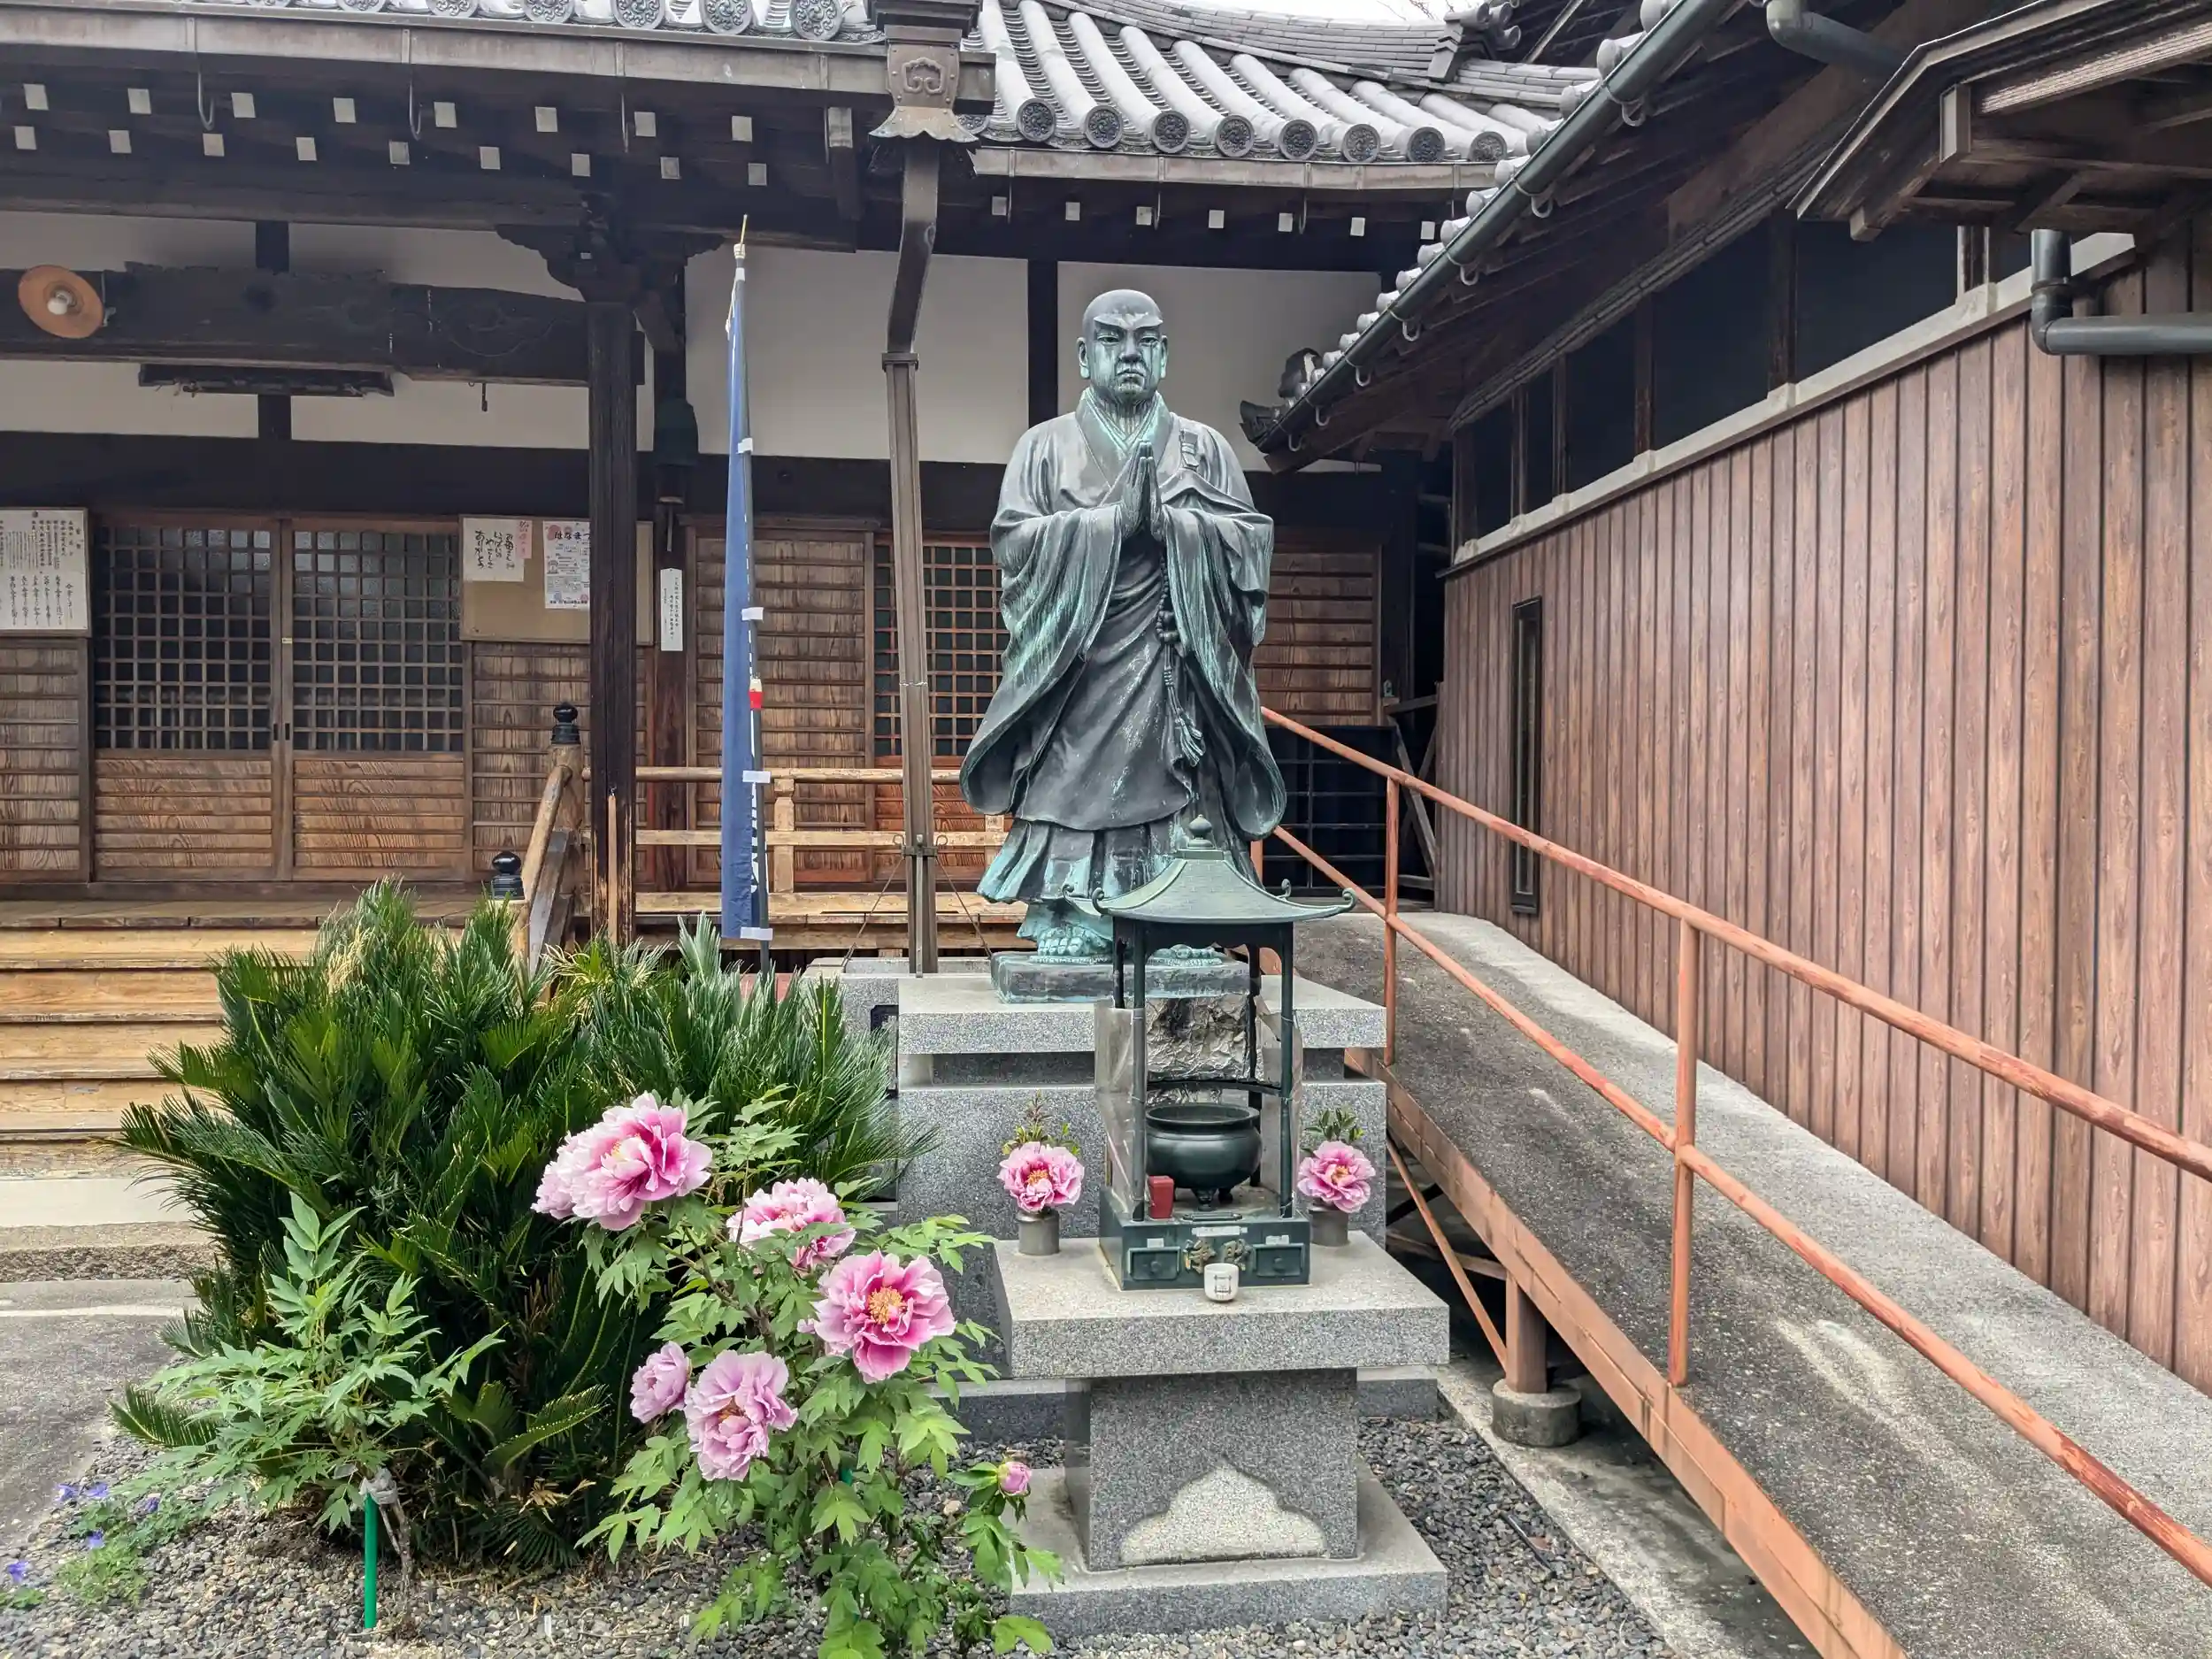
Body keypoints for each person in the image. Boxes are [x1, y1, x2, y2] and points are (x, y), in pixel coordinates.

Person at [959, 288, 1286, 959]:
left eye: (1146, 341)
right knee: (1070, 784)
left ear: (1164, 355)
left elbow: (1251, 544)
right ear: (1085, 356)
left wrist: (1177, 536)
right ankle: (1071, 913)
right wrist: (1111, 526)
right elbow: (1013, 545)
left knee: (1181, 792)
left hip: (1173, 660)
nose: (1130, 354)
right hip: (1078, 668)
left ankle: (1181, 917)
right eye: (1113, 339)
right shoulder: (1043, 448)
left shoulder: (1205, 449)